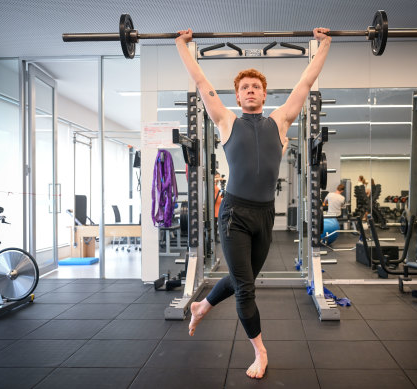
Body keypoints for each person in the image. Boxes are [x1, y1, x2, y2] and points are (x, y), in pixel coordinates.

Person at [175, 27, 332, 379]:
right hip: (234, 214)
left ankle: (202, 305)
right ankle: (260, 352)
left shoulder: (279, 121)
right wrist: (181, 46)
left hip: (264, 214)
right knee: (246, 288)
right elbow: (201, 82)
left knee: (242, 277)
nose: (250, 91)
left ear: (264, 93)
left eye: (256, 87)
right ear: (237, 94)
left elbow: (306, 83)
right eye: (244, 87)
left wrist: (324, 45)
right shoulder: (227, 121)